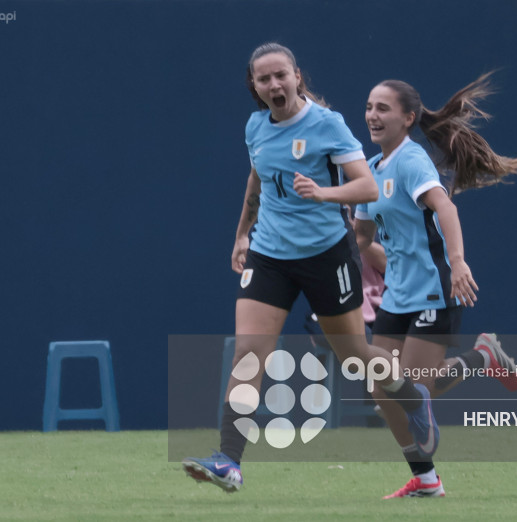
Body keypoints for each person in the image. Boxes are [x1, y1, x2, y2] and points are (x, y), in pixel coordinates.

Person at [182, 43, 437, 493]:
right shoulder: (256, 125)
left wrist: (322, 194)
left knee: (355, 358)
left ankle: (410, 393)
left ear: (298, 76)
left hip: (325, 256)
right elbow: (258, 176)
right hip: (270, 256)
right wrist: (242, 233)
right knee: (248, 353)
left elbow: (367, 185)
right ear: (255, 87)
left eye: (282, 75)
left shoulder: (327, 124)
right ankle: (229, 460)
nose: (275, 85)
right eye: (265, 79)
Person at [354, 73, 517, 498]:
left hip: (435, 288)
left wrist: (457, 263)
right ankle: (427, 479)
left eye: (383, 108)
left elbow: (445, 208)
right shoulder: (369, 170)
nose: (372, 115)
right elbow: (362, 239)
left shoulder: (411, 161)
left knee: (417, 388)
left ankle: (480, 358)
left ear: (408, 118)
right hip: (398, 294)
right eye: (369, 107)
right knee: (382, 390)